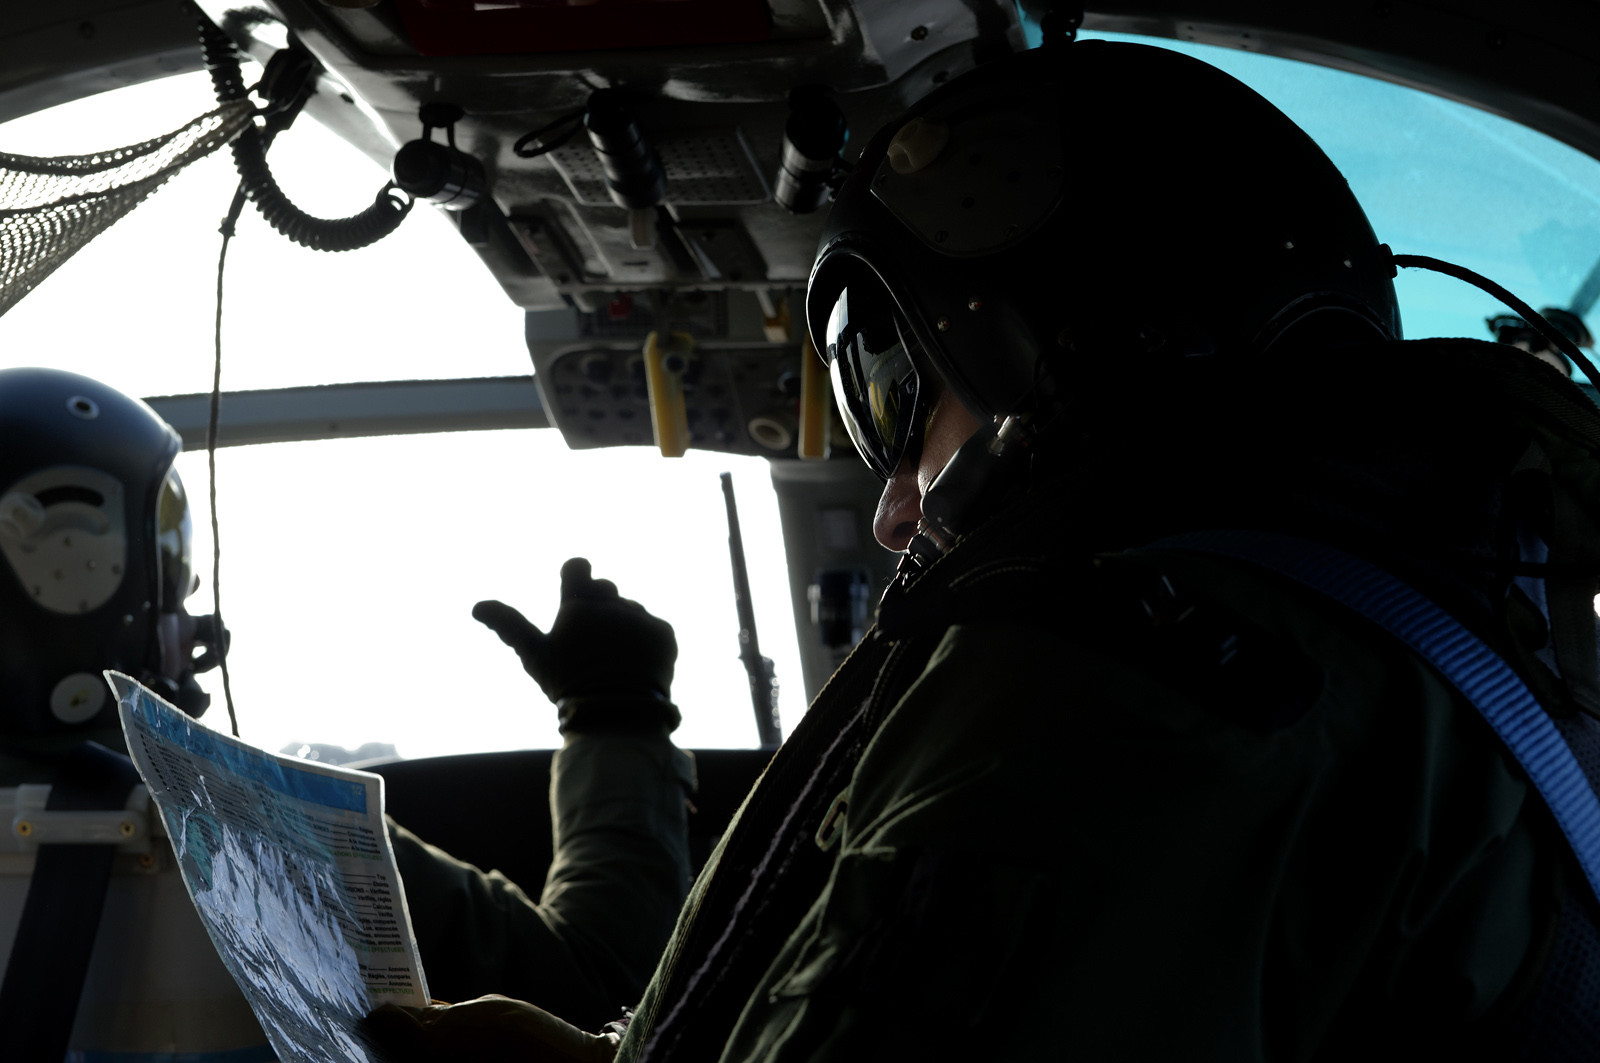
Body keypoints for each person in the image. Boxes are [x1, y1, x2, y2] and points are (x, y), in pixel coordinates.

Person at [363, 34, 1600, 1061]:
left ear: (1071, 351)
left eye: (903, 398)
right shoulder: (1417, 667)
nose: (894, 506)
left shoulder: (1114, 697)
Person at [0, 366, 693, 1057]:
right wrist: (613, 714)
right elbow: (599, 984)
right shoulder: (275, 833)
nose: (191, 625)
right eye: (169, 592)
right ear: (73, 572)